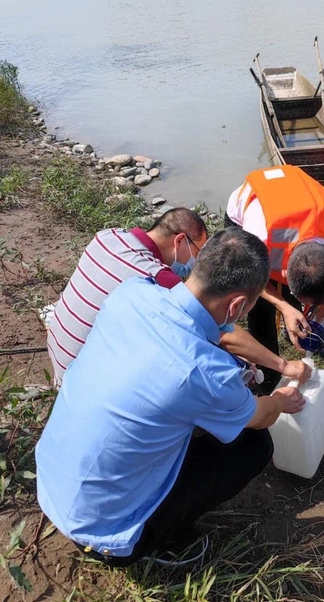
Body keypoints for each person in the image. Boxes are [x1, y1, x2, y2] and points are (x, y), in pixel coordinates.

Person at [35, 228, 305, 568]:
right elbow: (260, 416)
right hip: (107, 535)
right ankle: (163, 539)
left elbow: (219, 330)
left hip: (50, 480)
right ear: (238, 305)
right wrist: (281, 399)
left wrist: (280, 364)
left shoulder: (132, 293)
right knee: (255, 447)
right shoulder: (207, 373)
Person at [226, 165, 324, 391]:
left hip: (305, 200)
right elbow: (252, 279)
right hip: (254, 201)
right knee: (261, 309)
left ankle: (292, 324)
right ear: (283, 274)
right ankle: (271, 378)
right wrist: (283, 306)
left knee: (293, 305)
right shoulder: (258, 234)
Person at [47, 207, 208, 386]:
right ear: (179, 241)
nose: (195, 263)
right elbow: (206, 327)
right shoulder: (158, 277)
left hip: (58, 358)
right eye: (197, 253)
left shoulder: (107, 237)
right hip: (79, 383)